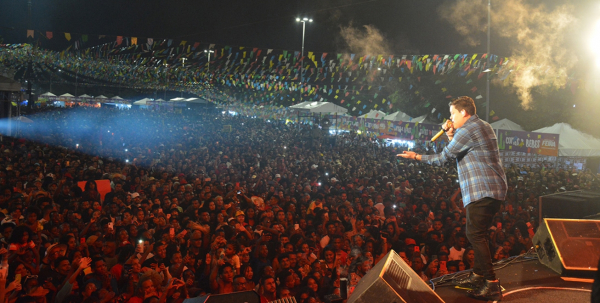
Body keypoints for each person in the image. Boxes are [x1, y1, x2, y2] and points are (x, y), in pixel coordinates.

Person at [397, 96, 506, 301]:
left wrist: (416, 157)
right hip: (493, 188)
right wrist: (450, 134)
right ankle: (478, 276)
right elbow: (460, 151)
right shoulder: (482, 126)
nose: (450, 118)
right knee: (478, 233)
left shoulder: (467, 130)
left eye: (452, 114)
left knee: (475, 235)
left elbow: (444, 157)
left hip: (481, 189)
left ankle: (491, 284)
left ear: (464, 113)